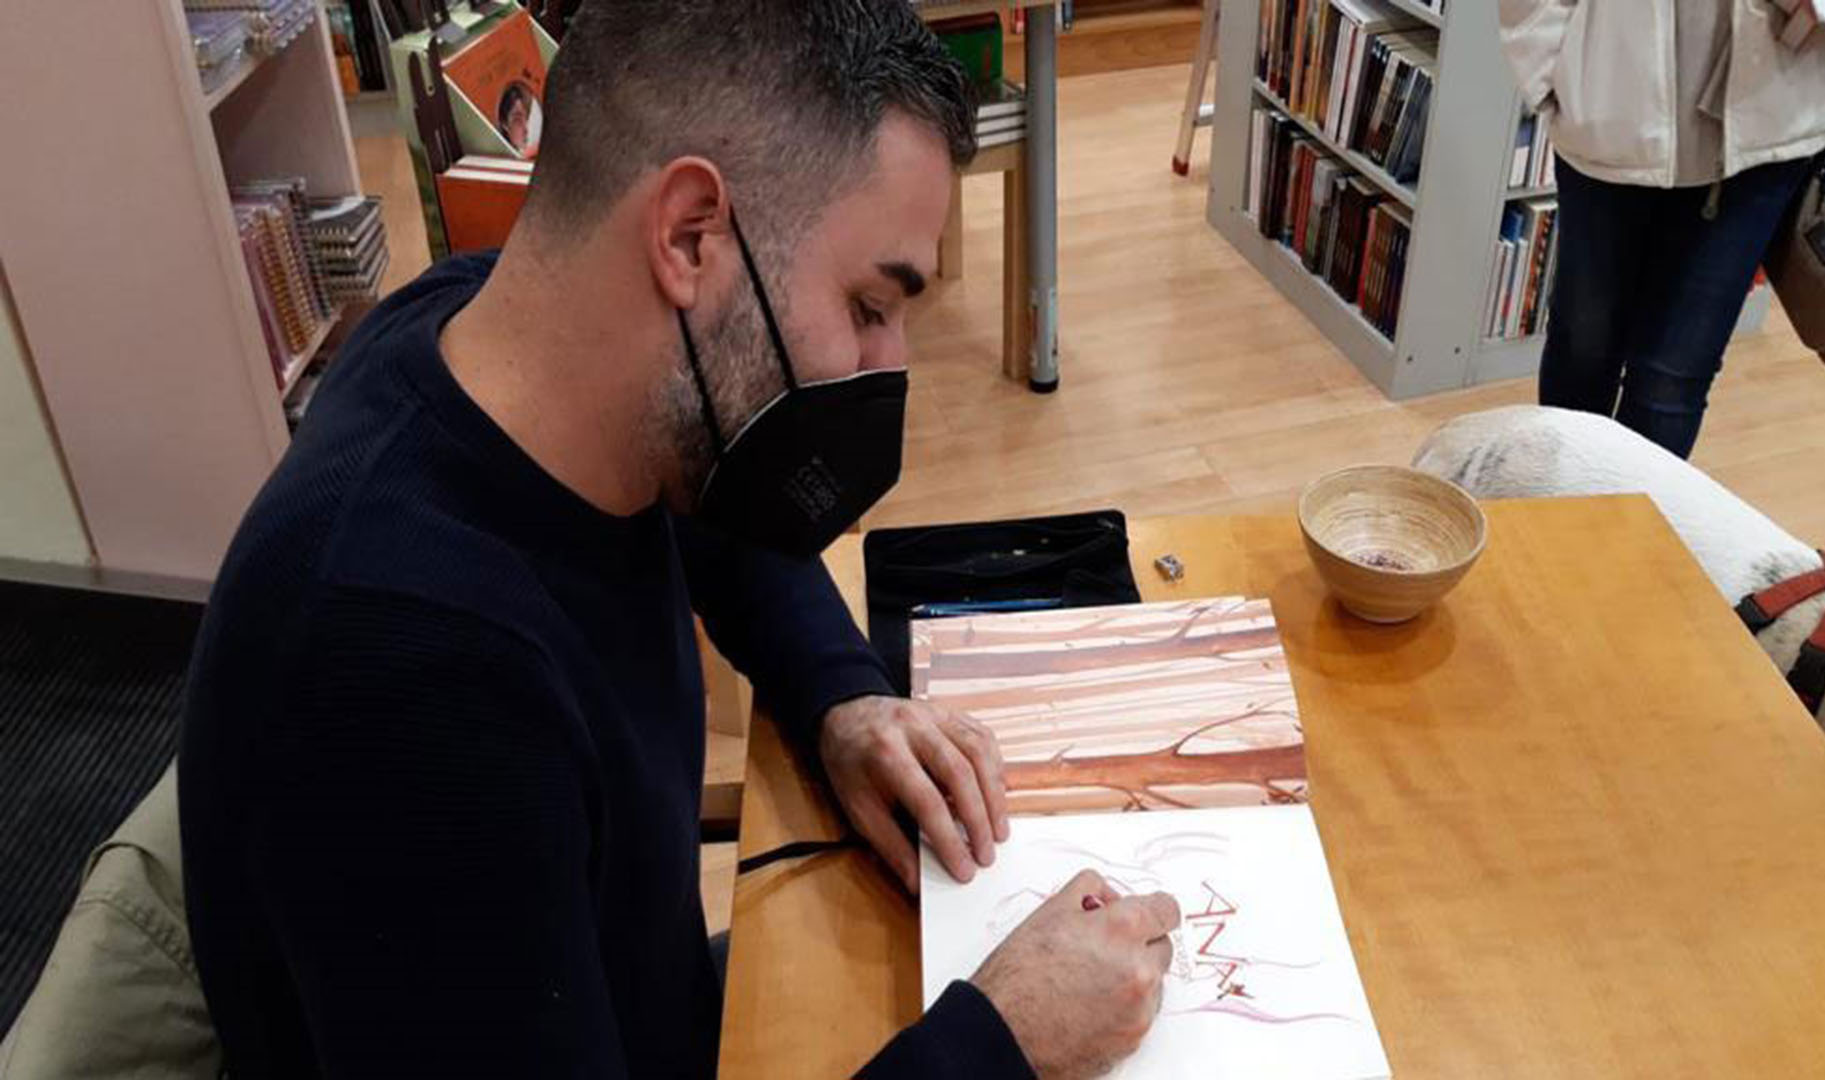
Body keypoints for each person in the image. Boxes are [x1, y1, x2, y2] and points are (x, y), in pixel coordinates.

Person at [177, 2, 1177, 1078]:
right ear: (692, 235)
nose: (889, 367)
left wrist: (842, 697)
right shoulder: (415, 682)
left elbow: (716, 508)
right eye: (867, 305)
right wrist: (1005, 1042)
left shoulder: (493, 330)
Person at [1500, 0, 1825, 459]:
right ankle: (1555, 500)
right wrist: (1544, 65)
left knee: (1673, 376)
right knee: (1583, 347)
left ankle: (1636, 506)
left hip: (1769, 122)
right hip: (1611, 103)